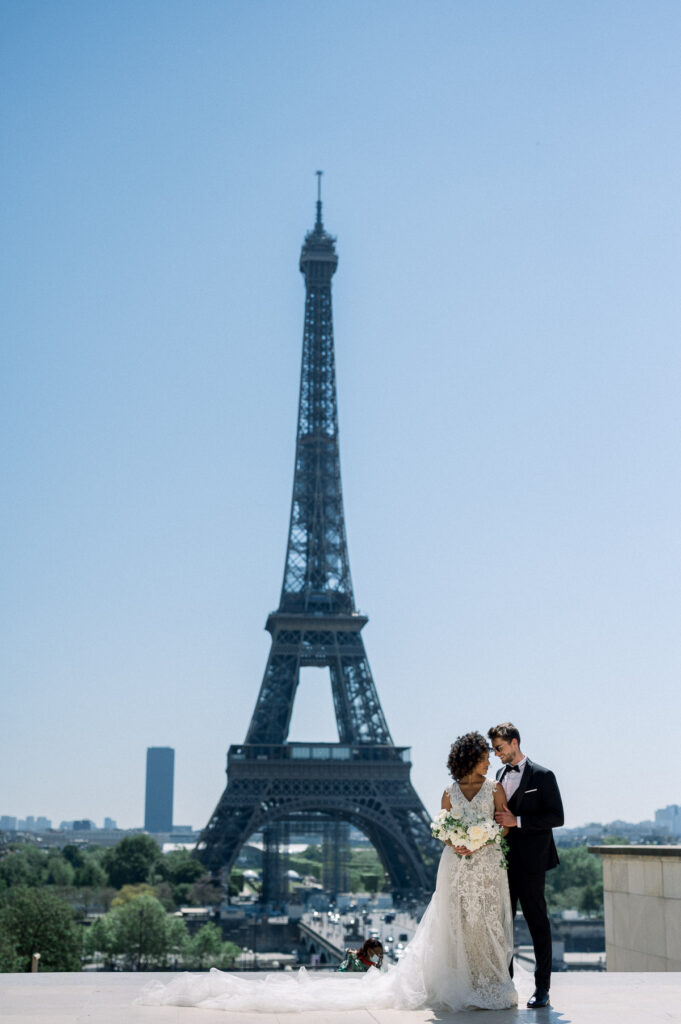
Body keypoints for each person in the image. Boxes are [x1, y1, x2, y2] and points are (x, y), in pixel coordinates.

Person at [137, 731, 519, 1014]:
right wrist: (458, 841)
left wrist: (483, 838)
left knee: (484, 924)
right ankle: (467, 985)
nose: (489, 761)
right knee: (457, 924)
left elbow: (502, 824)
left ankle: (486, 983)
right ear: (471, 758)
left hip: (484, 867)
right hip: (458, 866)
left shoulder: (493, 788)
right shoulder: (449, 792)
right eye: (485, 756)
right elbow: (444, 829)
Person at [488, 722, 564, 1010]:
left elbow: (557, 817)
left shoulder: (543, 776)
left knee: (537, 924)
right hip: (503, 862)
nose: (496, 754)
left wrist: (517, 821)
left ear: (514, 743)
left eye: (499, 748)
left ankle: (542, 988)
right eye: (494, 749)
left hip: (532, 863)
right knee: (503, 925)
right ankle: (505, 985)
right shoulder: (498, 776)